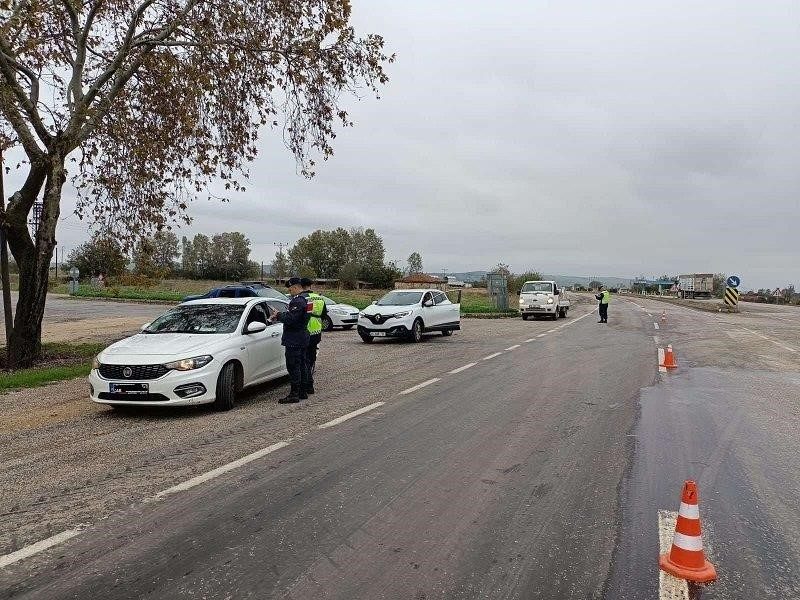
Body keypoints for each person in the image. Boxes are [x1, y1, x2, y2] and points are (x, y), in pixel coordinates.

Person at [268, 277, 310, 403]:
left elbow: (292, 319)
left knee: (293, 366)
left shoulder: (297, 301)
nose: (289, 291)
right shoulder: (307, 299)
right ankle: (302, 392)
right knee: (302, 365)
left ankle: (294, 394)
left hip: (294, 339)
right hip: (302, 337)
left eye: (290, 289)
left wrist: (278, 315)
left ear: (296, 287)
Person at [299, 277, 326, 395]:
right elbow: (324, 314)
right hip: (316, 332)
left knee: (304, 360)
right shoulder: (319, 298)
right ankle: (309, 384)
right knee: (311, 359)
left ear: (301, 286)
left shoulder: (302, 298)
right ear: (311, 285)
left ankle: (307, 385)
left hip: (305, 331)